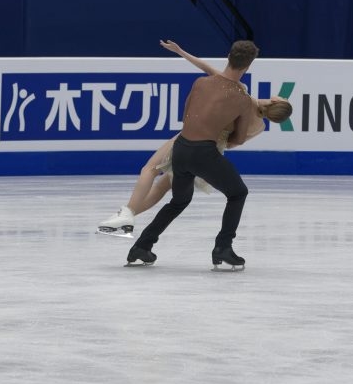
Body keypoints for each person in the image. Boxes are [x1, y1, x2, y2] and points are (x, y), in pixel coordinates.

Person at [98, 40, 291, 239]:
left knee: (150, 169)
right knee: (163, 188)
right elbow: (235, 142)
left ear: (276, 100)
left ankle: (127, 213)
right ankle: (125, 219)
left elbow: (208, 70)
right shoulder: (258, 126)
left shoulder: (241, 93)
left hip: (192, 137)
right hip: (213, 151)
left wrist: (181, 51)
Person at [122, 39, 268, 271]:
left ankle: (142, 246)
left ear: (228, 57)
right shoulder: (241, 98)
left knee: (179, 200)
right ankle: (223, 247)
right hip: (204, 153)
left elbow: (187, 114)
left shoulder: (201, 82)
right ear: (248, 67)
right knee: (238, 193)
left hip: (181, 148)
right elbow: (238, 139)